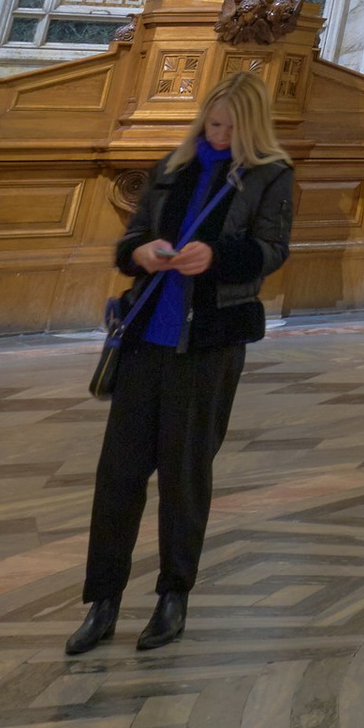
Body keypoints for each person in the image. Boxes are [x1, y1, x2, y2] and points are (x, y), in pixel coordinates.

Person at [69, 69, 295, 657]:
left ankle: (173, 597)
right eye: (212, 124)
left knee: (184, 476)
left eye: (230, 128)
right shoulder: (173, 167)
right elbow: (130, 241)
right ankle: (103, 601)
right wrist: (140, 251)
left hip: (207, 346)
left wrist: (216, 256)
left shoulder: (270, 175)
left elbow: (272, 251)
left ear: (252, 128)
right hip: (146, 338)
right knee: (118, 476)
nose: (218, 136)